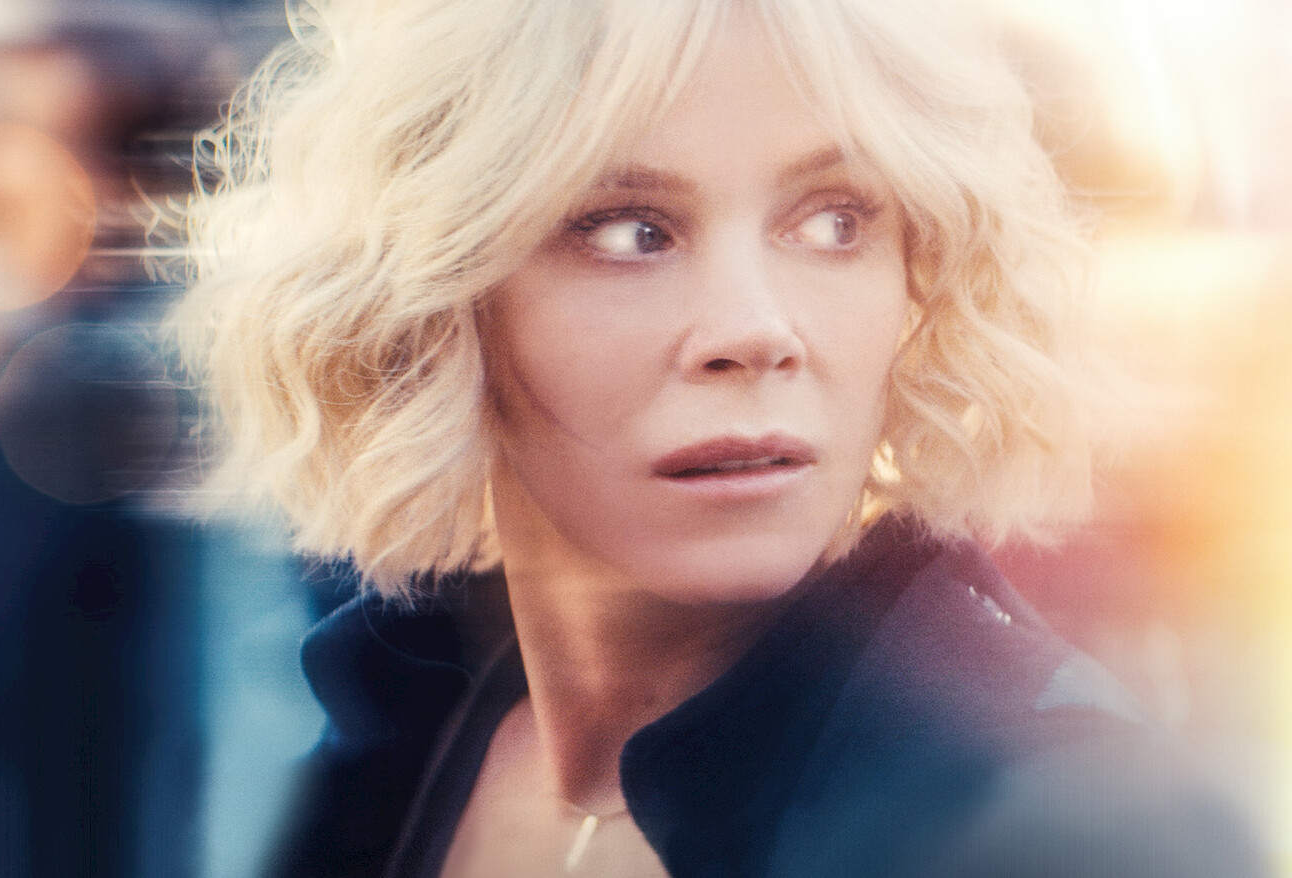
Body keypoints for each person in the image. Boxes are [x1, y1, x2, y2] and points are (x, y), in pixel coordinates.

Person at [172, 0, 1270, 875]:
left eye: (834, 220)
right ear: (436, 300)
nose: (755, 329)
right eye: (628, 231)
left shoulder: (1078, 827)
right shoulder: (402, 732)